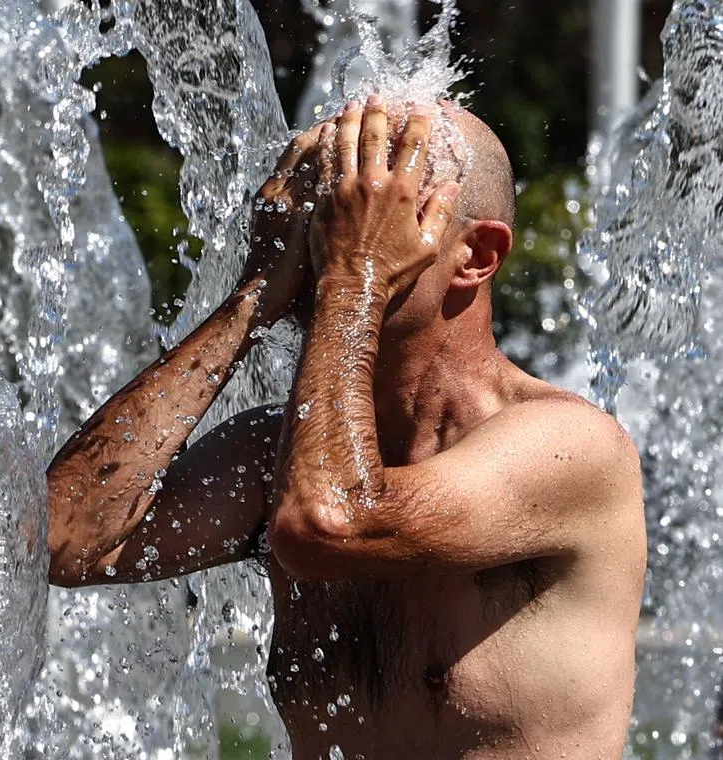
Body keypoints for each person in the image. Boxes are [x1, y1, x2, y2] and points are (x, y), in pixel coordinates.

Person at [46, 96, 646, 759]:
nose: (328, 247)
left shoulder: (568, 449)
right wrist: (254, 296)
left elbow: (326, 524)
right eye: (322, 220)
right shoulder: (279, 453)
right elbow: (65, 538)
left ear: (474, 255)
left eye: (364, 220)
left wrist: (354, 278)